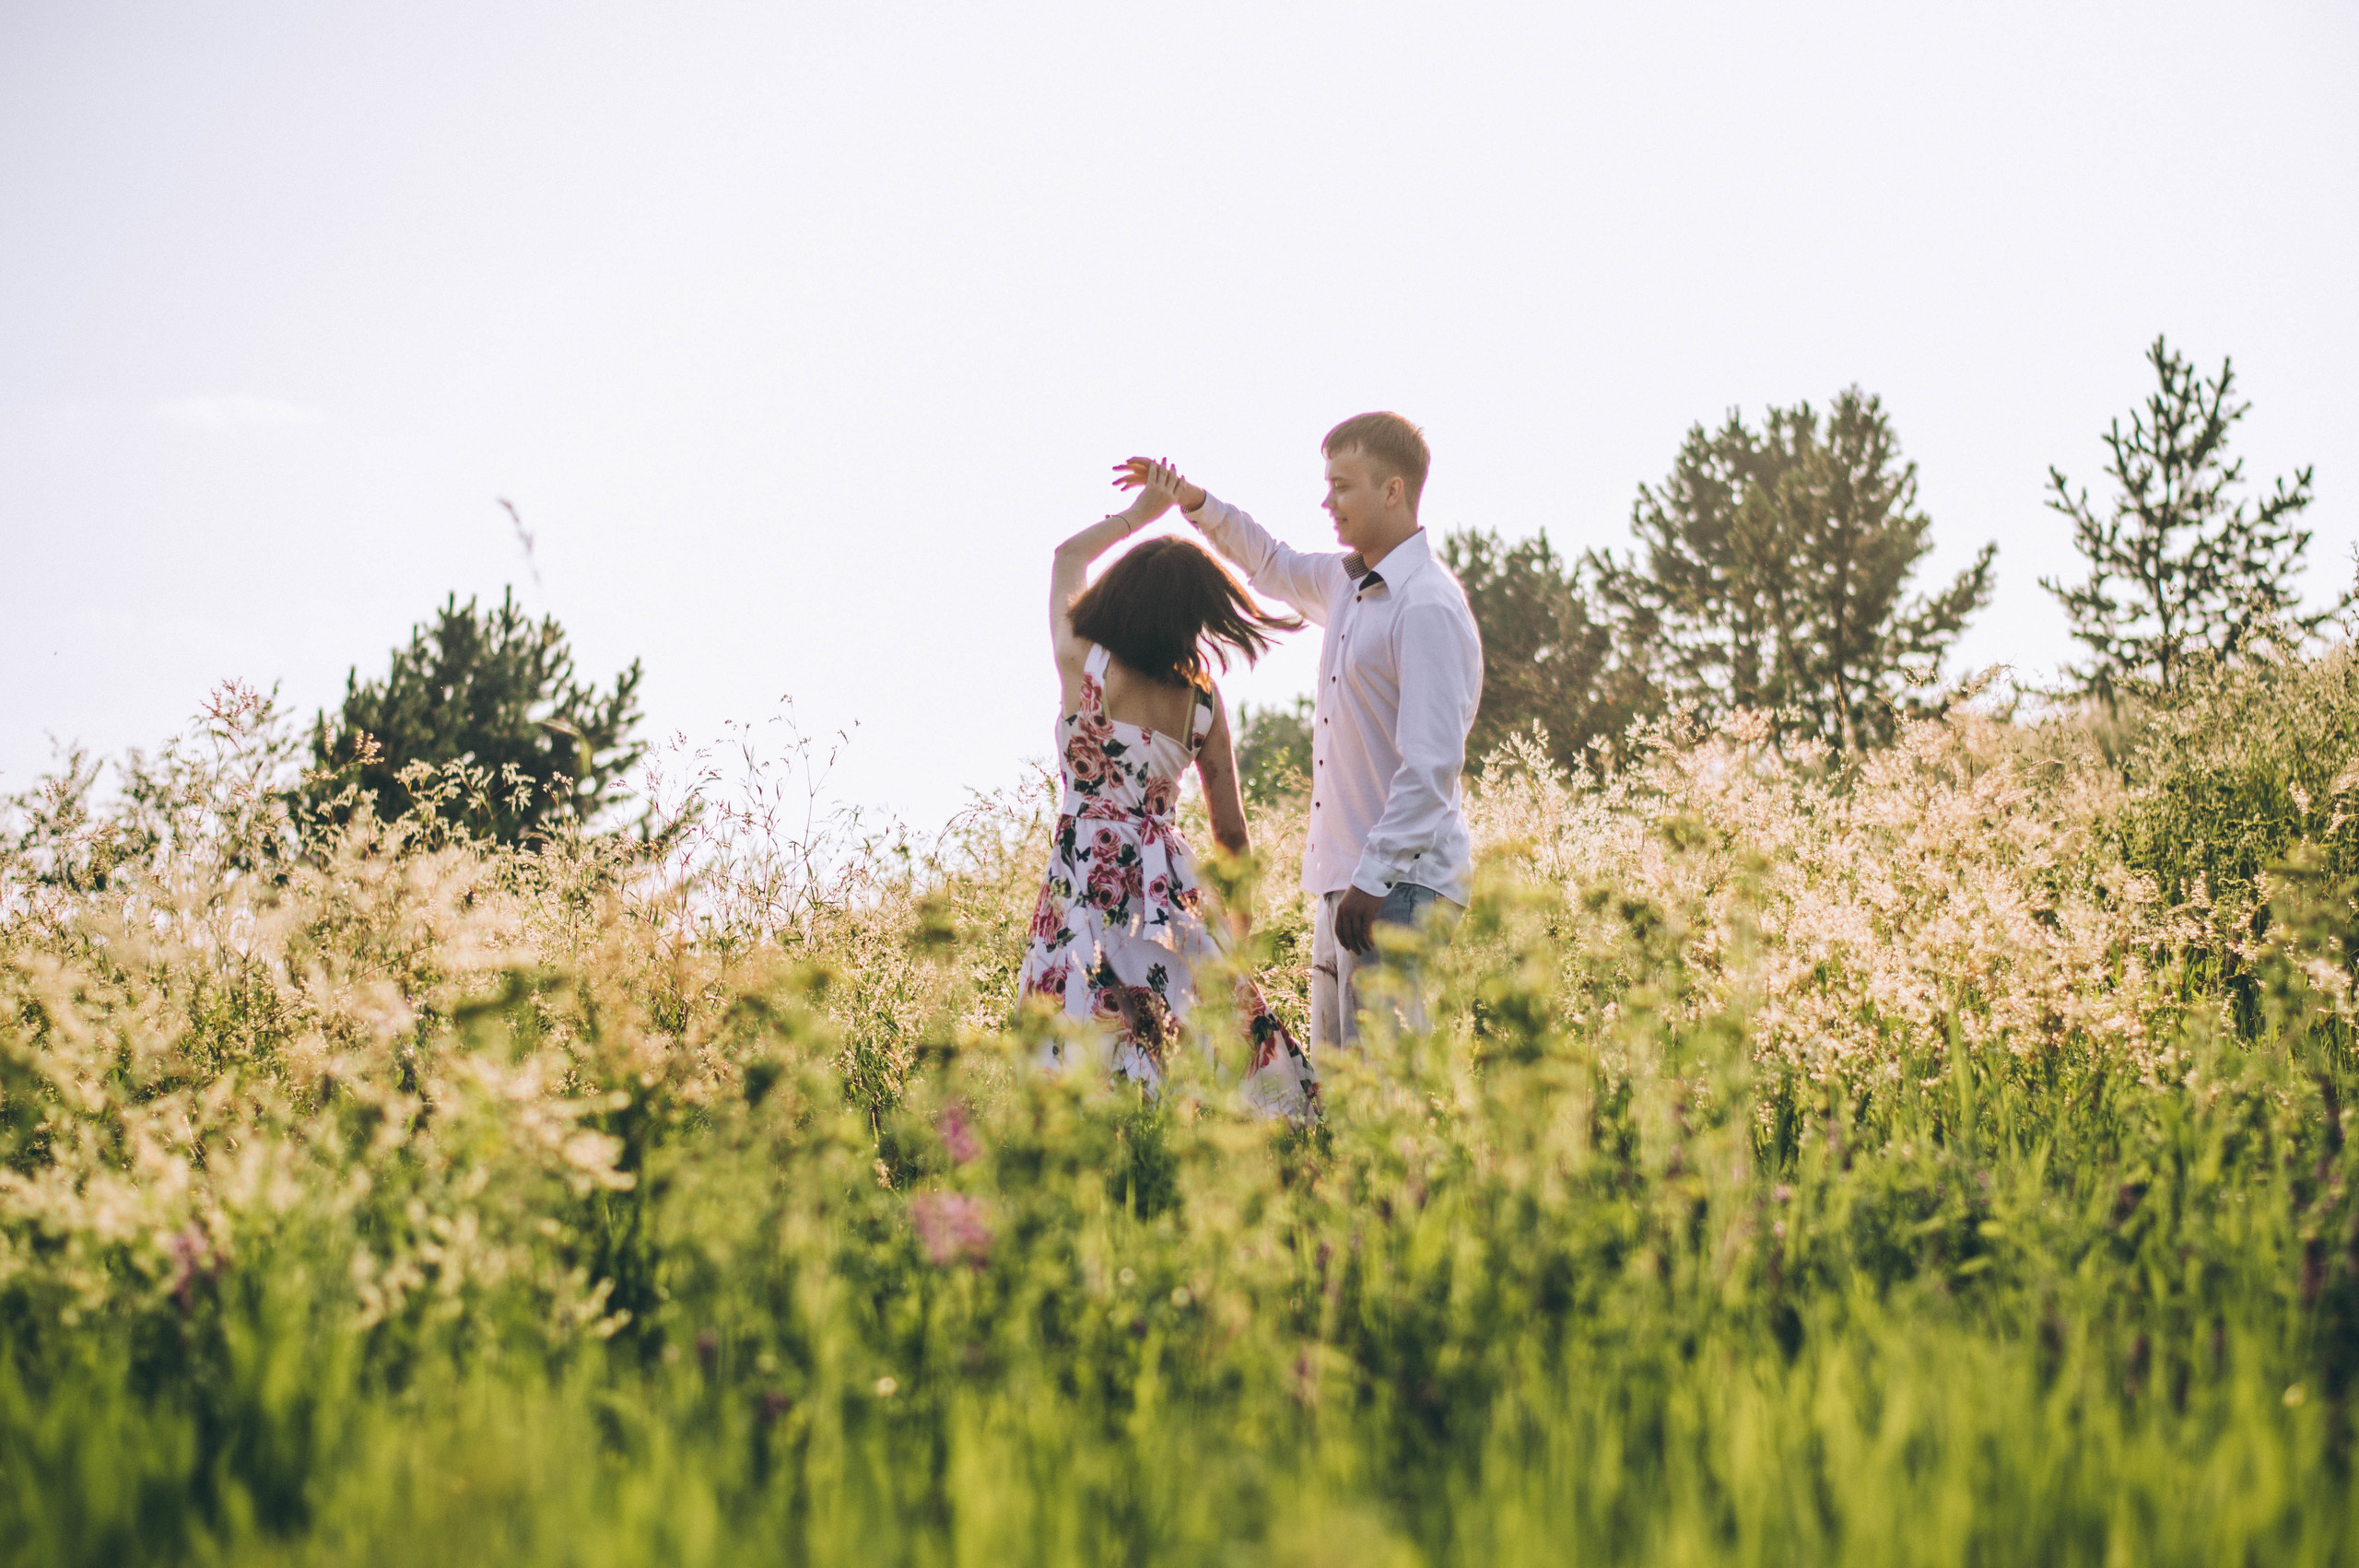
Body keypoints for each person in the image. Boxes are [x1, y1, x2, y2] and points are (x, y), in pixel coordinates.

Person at [1120, 413, 1483, 1052]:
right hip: (1348, 885)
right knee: (1339, 1087)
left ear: (1392, 490)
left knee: (1384, 1085)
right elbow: (1270, 562)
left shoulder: (1426, 604)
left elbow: (1431, 766)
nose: (1327, 502)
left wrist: (1373, 879)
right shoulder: (1345, 583)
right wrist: (1193, 502)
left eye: (1343, 486)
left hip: (1399, 888)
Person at [1017, 462, 1319, 1117]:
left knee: (1079, 1040)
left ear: (1121, 594)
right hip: (1168, 888)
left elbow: (1068, 557)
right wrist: (1236, 932)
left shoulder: (1084, 663)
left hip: (1084, 879)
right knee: (1194, 1037)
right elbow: (1231, 834)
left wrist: (1142, 513)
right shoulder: (1202, 702)